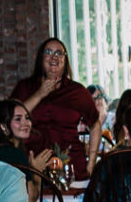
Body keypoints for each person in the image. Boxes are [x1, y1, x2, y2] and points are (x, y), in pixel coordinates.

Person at [10, 38, 102, 181]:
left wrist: (90, 164)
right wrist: (40, 94)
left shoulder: (77, 91)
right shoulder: (25, 87)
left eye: (59, 53)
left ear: (65, 60)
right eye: (48, 52)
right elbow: (9, 119)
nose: (54, 57)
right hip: (33, 168)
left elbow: (95, 125)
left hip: (72, 168)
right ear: (41, 58)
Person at [0, 99, 53, 173]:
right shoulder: (13, 154)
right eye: (18, 119)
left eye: (27, 117)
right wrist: (36, 171)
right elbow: (29, 185)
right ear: (3, 126)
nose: (26, 123)